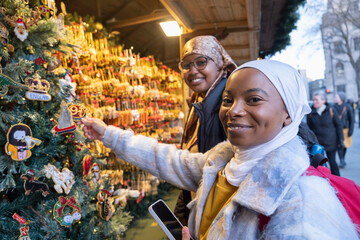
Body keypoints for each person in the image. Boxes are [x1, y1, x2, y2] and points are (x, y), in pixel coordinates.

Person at [80, 59, 358, 239]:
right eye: (228, 99)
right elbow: (167, 159)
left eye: (253, 99)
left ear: (289, 113)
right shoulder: (224, 162)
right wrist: (109, 135)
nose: (233, 111)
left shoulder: (300, 200)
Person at [175, 35, 236, 226]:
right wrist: (183, 207)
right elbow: (193, 164)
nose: (192, 71)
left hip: (221, 218)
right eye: (186, 65)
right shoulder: (198, 105)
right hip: (202, 211)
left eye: (201, 62)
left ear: (219, 64)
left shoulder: (229, 107)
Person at [307, 92, 343, 176]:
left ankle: (337, 181)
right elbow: (309, 130)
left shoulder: (331, 110)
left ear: (323, 101)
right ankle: (324, 183)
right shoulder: (310, 113)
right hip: (318, 145)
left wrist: (340, 140)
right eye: (313, 100)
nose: (314, 102)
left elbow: (338, 126)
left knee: (333, 163)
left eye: (316, 100)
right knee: (319, 165)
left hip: (331, 143)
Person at [334, 92, 354, 168]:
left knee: (344, 145)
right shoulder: (333, 107)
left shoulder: (348, 107)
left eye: (336, 97)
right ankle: (341, 160)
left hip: (345, 129)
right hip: (336, 130)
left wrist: (351, 130)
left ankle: (343, 159)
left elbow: (351, 120)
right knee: (339, 145)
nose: (335, 98)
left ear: (341, 98)